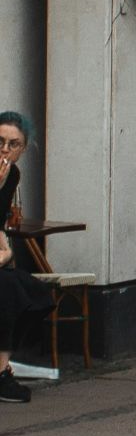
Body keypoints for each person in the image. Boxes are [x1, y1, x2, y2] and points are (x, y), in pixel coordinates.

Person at [0, 112, 56, 403]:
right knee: (8, 289)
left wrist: (7, 252)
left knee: (35, 293)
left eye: (13, 144)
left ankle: (2, 366)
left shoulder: (12, 175)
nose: (5, 150)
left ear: (22, 149)